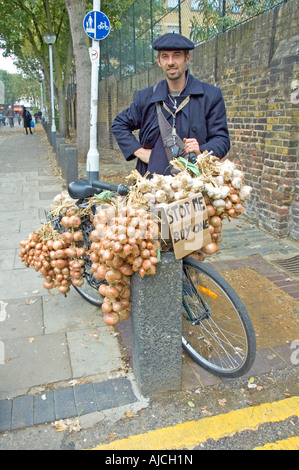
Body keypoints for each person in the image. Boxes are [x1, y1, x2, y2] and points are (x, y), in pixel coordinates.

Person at [111, 33, 230, 176]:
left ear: (187, 58)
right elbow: (119, 124)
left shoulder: (210, 96)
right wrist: (140, 152)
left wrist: (202, 150)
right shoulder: (146, 97)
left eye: (177, 55)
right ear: (159, 61)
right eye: (165, 56)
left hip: (193, 185)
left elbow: (222, 140)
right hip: (151, 187)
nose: (171, 62)